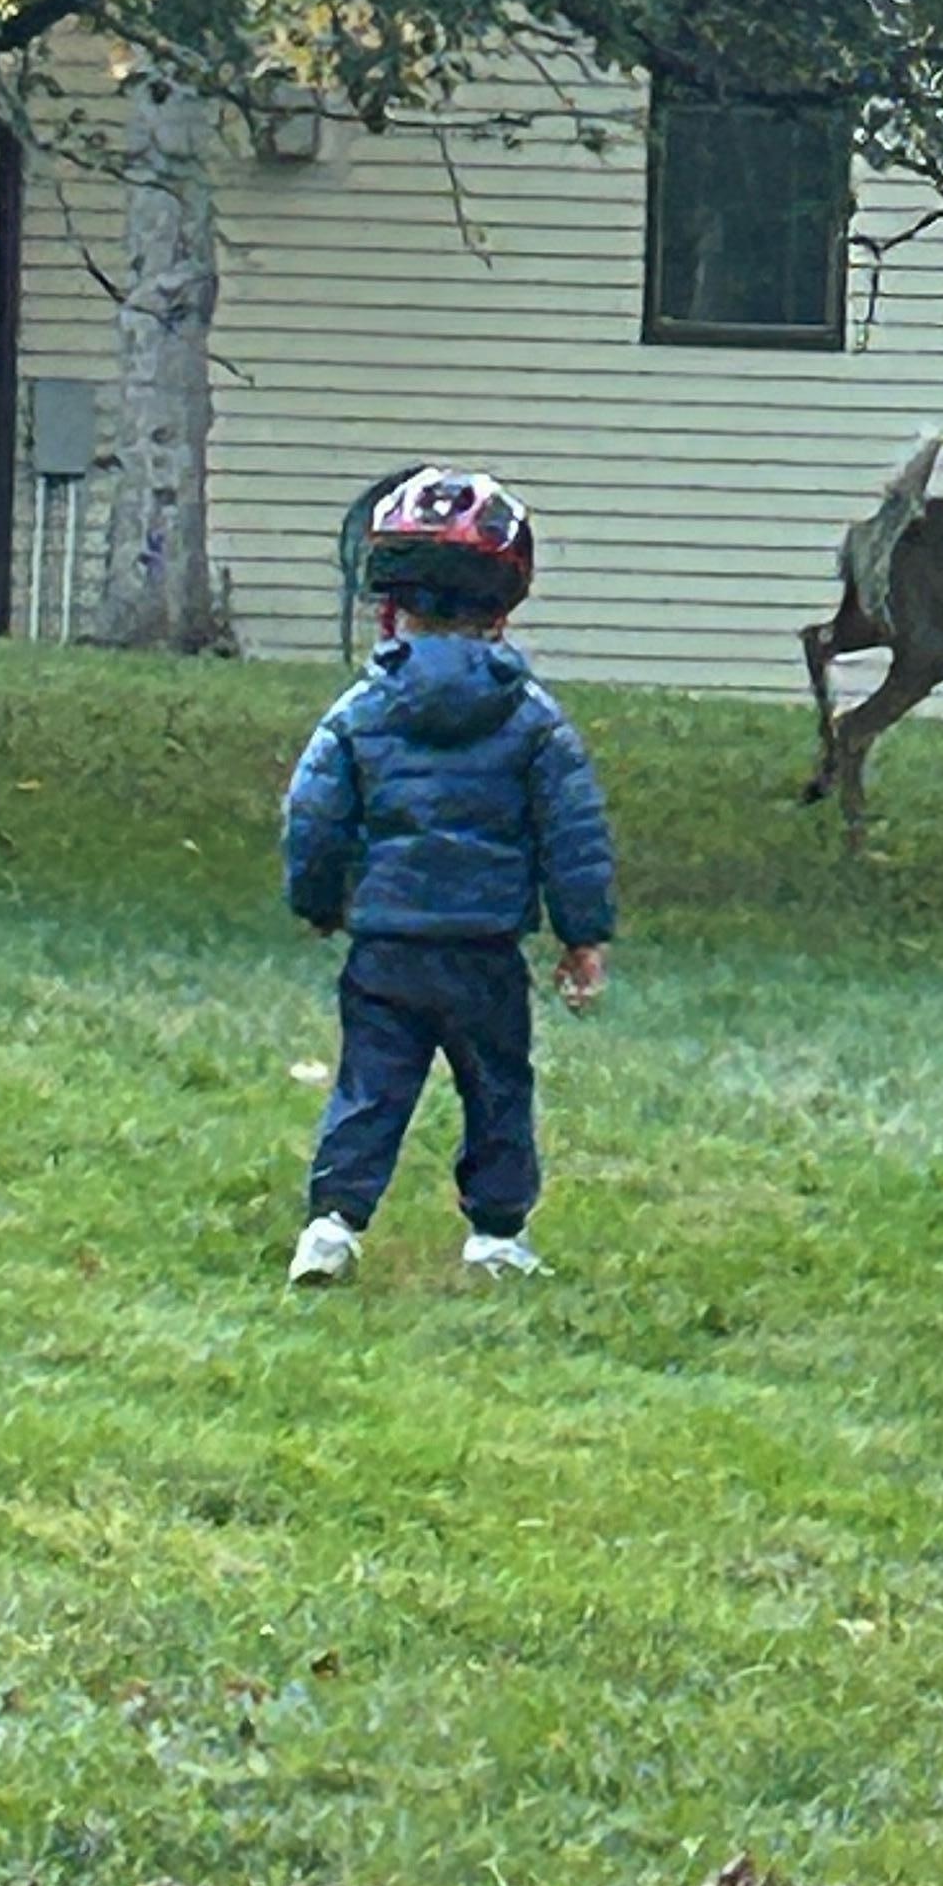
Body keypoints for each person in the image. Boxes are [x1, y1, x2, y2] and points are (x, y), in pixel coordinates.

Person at [282, 468, 614, 1286]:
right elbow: (571, 833)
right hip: (484, 951)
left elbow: (314, 815)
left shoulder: (358, 712)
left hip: (387, 949)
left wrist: (319, 901)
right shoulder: (534, 720)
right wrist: (582, 937)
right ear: (502, 605)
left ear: (392, 601)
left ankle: (331, 1225)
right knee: (497, 1088)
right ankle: (496, 1237)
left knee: (370, 1085)